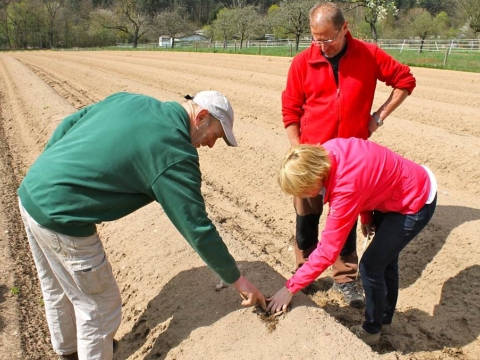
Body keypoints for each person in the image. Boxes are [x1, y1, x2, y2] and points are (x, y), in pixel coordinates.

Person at [17, 91, 267, 360]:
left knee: (55, 283)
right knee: (100, 306)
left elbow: (70, 122)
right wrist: (237, 279)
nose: (211, 145)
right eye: (215, 136)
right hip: (63, 219)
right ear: (202, 117)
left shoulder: (132, 100)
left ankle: (68, 351)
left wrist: (47, 171)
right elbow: (196, 226)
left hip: (32, 191)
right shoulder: (175, 153)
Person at [281, 2, 416, 307]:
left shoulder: (369, 55)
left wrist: (377, 117)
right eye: (316, 39)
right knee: (306, 215)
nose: (322, 46)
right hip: (313, 157)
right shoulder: (302, 63)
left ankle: (344, 276)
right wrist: (297, 148)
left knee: (346, 218)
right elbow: (290, 110)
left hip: (351, 161)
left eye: (328, 39)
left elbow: (405, 81)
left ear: (345, 28)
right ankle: (304, 269)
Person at [266, 138, 437, 345]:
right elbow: (369, 176)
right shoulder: (329, 151)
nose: (302, 196)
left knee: (371, 267)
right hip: (396, 189)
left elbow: (328, 251)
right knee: (385, 262)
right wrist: (366, 216)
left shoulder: (345, 187)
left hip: (414, 201)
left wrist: (289, 288)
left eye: (303, 191)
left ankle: (372, 331)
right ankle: (384, 320)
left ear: (315, 178)